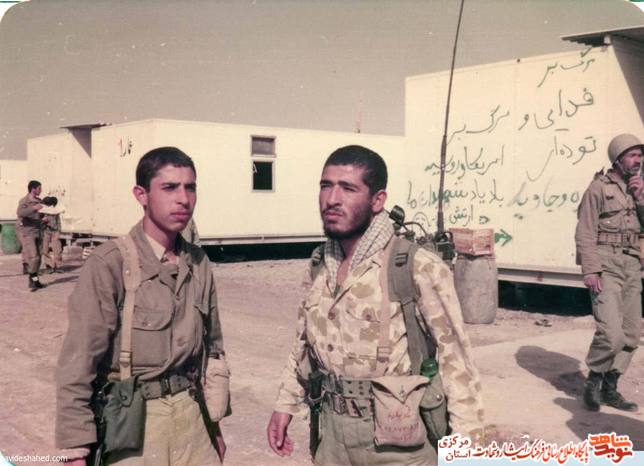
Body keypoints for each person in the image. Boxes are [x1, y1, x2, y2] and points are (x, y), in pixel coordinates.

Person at [267, 145, 484, 465]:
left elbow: (458, 365)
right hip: (332, 439)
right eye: (326, 185)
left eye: (348, 188)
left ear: (377, 200)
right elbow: (302, 345)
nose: (332, 199)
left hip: (397, 444)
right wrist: (285, 404)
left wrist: (466, 454)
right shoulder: (319, 265)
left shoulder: (416, 266)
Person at [56, 147, 230, 465]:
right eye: (169, 187)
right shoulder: (111, 263)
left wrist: (213, 425)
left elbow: (212, 349)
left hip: (193, 420)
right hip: (134, 426)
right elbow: (79, 359)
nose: (183, 199)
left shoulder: (198, 262)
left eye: (190, 187)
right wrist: (76, 448)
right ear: (142, 195)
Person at [575, 133, 643, 412]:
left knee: (631, 334)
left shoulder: (640, 187)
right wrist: (591, 270)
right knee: (611, 334)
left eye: (640, 156)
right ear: (617, 159)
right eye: (632, 155)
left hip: (632, 265)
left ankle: (610, 388)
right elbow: (585, 232)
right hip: (606, 266)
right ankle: (594, 380)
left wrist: (640, 199)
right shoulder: (598, 189)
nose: (638, 161)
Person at [16, 180, 45, 290]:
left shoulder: (39, 201)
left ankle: (35, 280)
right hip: (28, 232)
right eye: (39, 188)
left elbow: (40, 215)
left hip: (38, 231)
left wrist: (43, 218)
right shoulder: (24, 201)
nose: (41, 190)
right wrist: (33, 208)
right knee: (34, 257)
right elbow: (20, 213)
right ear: (33, 189)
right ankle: (31, 278)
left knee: (39, 258)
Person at [40, 196, 65, 273]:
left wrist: (59, 230)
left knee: (57, 249)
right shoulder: (42, 211)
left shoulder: (55, 211)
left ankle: (58, 266)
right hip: (45, 231)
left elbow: (58, 221)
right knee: (45, 249)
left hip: (55, 231)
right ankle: (49, 266)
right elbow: (39, 221)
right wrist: (43, 221)